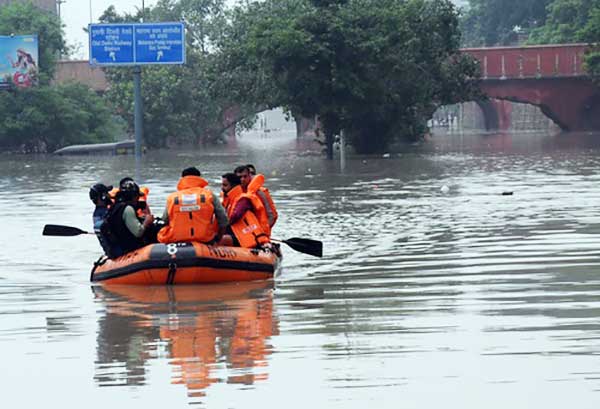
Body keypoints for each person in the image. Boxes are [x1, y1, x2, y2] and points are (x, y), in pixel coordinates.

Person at [158, 167, 228, 244]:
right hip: (205, 239)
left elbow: (165, 219)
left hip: (176, 239)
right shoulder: (209, 195)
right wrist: (218, 238)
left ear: (182, 179)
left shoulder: (173, 197)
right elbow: (223, 219)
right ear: (199, 178)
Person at [103, 179, 155, 258]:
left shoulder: (115, 207)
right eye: (137, 196)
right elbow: (138, 232)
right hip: (129, 247)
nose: (138, 199)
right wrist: (147, 222)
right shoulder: (128, 209)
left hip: (120, 245)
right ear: (133, 196)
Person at [220, 172, 270, 248]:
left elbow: (234, 217)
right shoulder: (228, 200)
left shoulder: (243, 200)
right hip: (236, 234)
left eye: (225, 185)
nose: (222, 188)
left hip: (245, 237)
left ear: (233, 186)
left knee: (217, 239)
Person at [234, 165, 278, 232]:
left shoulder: (261, 193)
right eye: (240, 177)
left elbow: (272, 216)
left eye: (245, 176)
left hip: (259, 232)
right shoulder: (233, 192)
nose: (242, 179)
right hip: (241, 231)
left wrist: (262, 231)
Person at [89, 183, 115, 257]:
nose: (109, 195)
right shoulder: (103, 213)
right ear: (103, 197)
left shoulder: (99, 213)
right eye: (106, 193)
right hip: (116, 249)